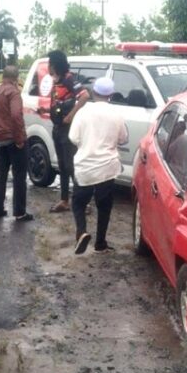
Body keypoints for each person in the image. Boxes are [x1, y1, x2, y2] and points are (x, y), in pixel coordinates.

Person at [68, 77, 128, 254]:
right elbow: (123, 138)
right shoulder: (117, 114)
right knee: (104, 205)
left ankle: (81, 232)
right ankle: (100, 243)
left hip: (85, 166)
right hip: (107, 168)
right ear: (110, 95)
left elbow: (73, 137)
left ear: (94, 92)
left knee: (78, 203)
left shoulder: (83, 112)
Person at [41, 50, 89, 213]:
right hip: (58, 128)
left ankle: (82, 202)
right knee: (62, 165)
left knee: (71, 165)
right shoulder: (56, 80)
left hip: (67, 129)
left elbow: (84, 96)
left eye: (49, 63)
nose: (48, 66)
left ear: (55, 65)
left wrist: (70, 115)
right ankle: (64, 200)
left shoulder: (69, 79)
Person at [0, 66, 33, 221]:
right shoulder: (13, 92)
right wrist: (20, 138)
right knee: (19, 176)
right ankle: (20, 212)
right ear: (16, 78)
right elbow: (16, 115)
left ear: (3, 75)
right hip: (13, 139)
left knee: (1, 173)